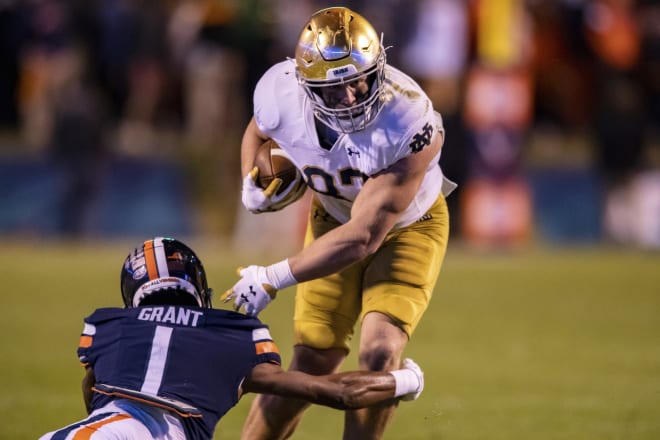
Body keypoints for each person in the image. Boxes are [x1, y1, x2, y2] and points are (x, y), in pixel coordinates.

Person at [223, 6, 455, 440]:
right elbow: (258, 130)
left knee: (380, 351)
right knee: (313, 357)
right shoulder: (279, 92)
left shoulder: (410, 119)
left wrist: (274, 276)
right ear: (305, 86)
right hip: (333, 214)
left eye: (360, 81)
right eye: (336, 89)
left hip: (409, 227)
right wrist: (249, 182)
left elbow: (365, 236)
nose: (352, 97)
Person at [39, 237, 425, 440]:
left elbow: (93, 395)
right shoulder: (229, 335)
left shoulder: (109, 327)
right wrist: (406, 380)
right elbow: (337, 393)